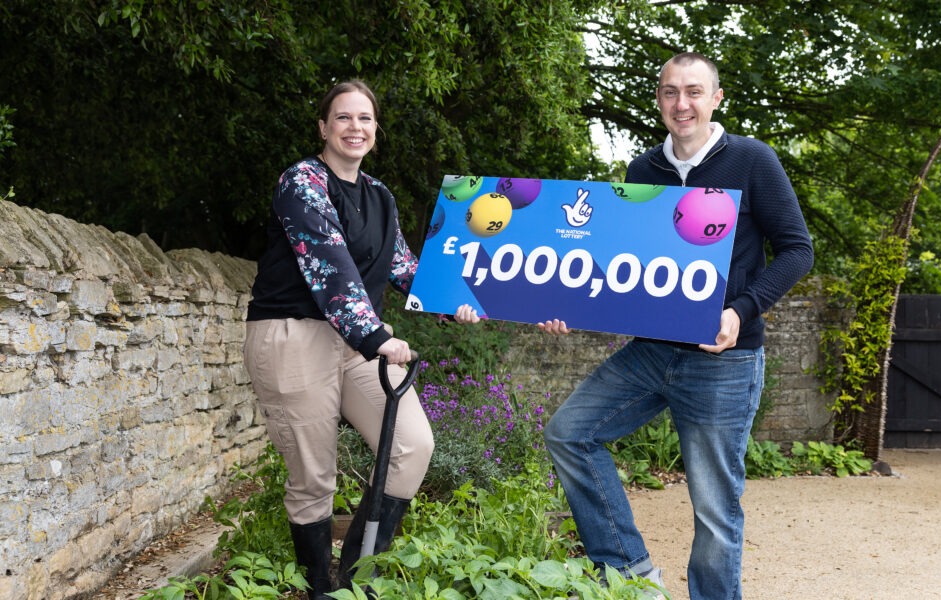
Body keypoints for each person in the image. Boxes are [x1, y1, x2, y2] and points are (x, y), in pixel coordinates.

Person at [539, 52, 814, 600]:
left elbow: (797, 251)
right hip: (652, 352)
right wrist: (568, 303)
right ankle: (631, 573)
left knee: (715, 508)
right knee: (568, 433)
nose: (681, 103)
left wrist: (741, 309)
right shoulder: (644, 172)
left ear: (716, 99)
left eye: (693, 91)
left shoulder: (753, 160)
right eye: (670, 92)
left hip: (724, 360)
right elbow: (627, 267)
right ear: (660, 99)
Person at [243, 80, 480, 599]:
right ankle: (318, 589)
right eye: (344, 118)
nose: (356, 128)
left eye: (365, 119)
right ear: (324, 128)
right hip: (293, 337)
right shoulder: (302, 182)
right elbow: (331, 267)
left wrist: (449, 301)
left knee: (413, 446)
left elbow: (401, 267)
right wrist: (375, 336)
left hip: (354, 342)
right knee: (314, 479)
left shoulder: (378, 196)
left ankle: (355, 579)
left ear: (376, 130)